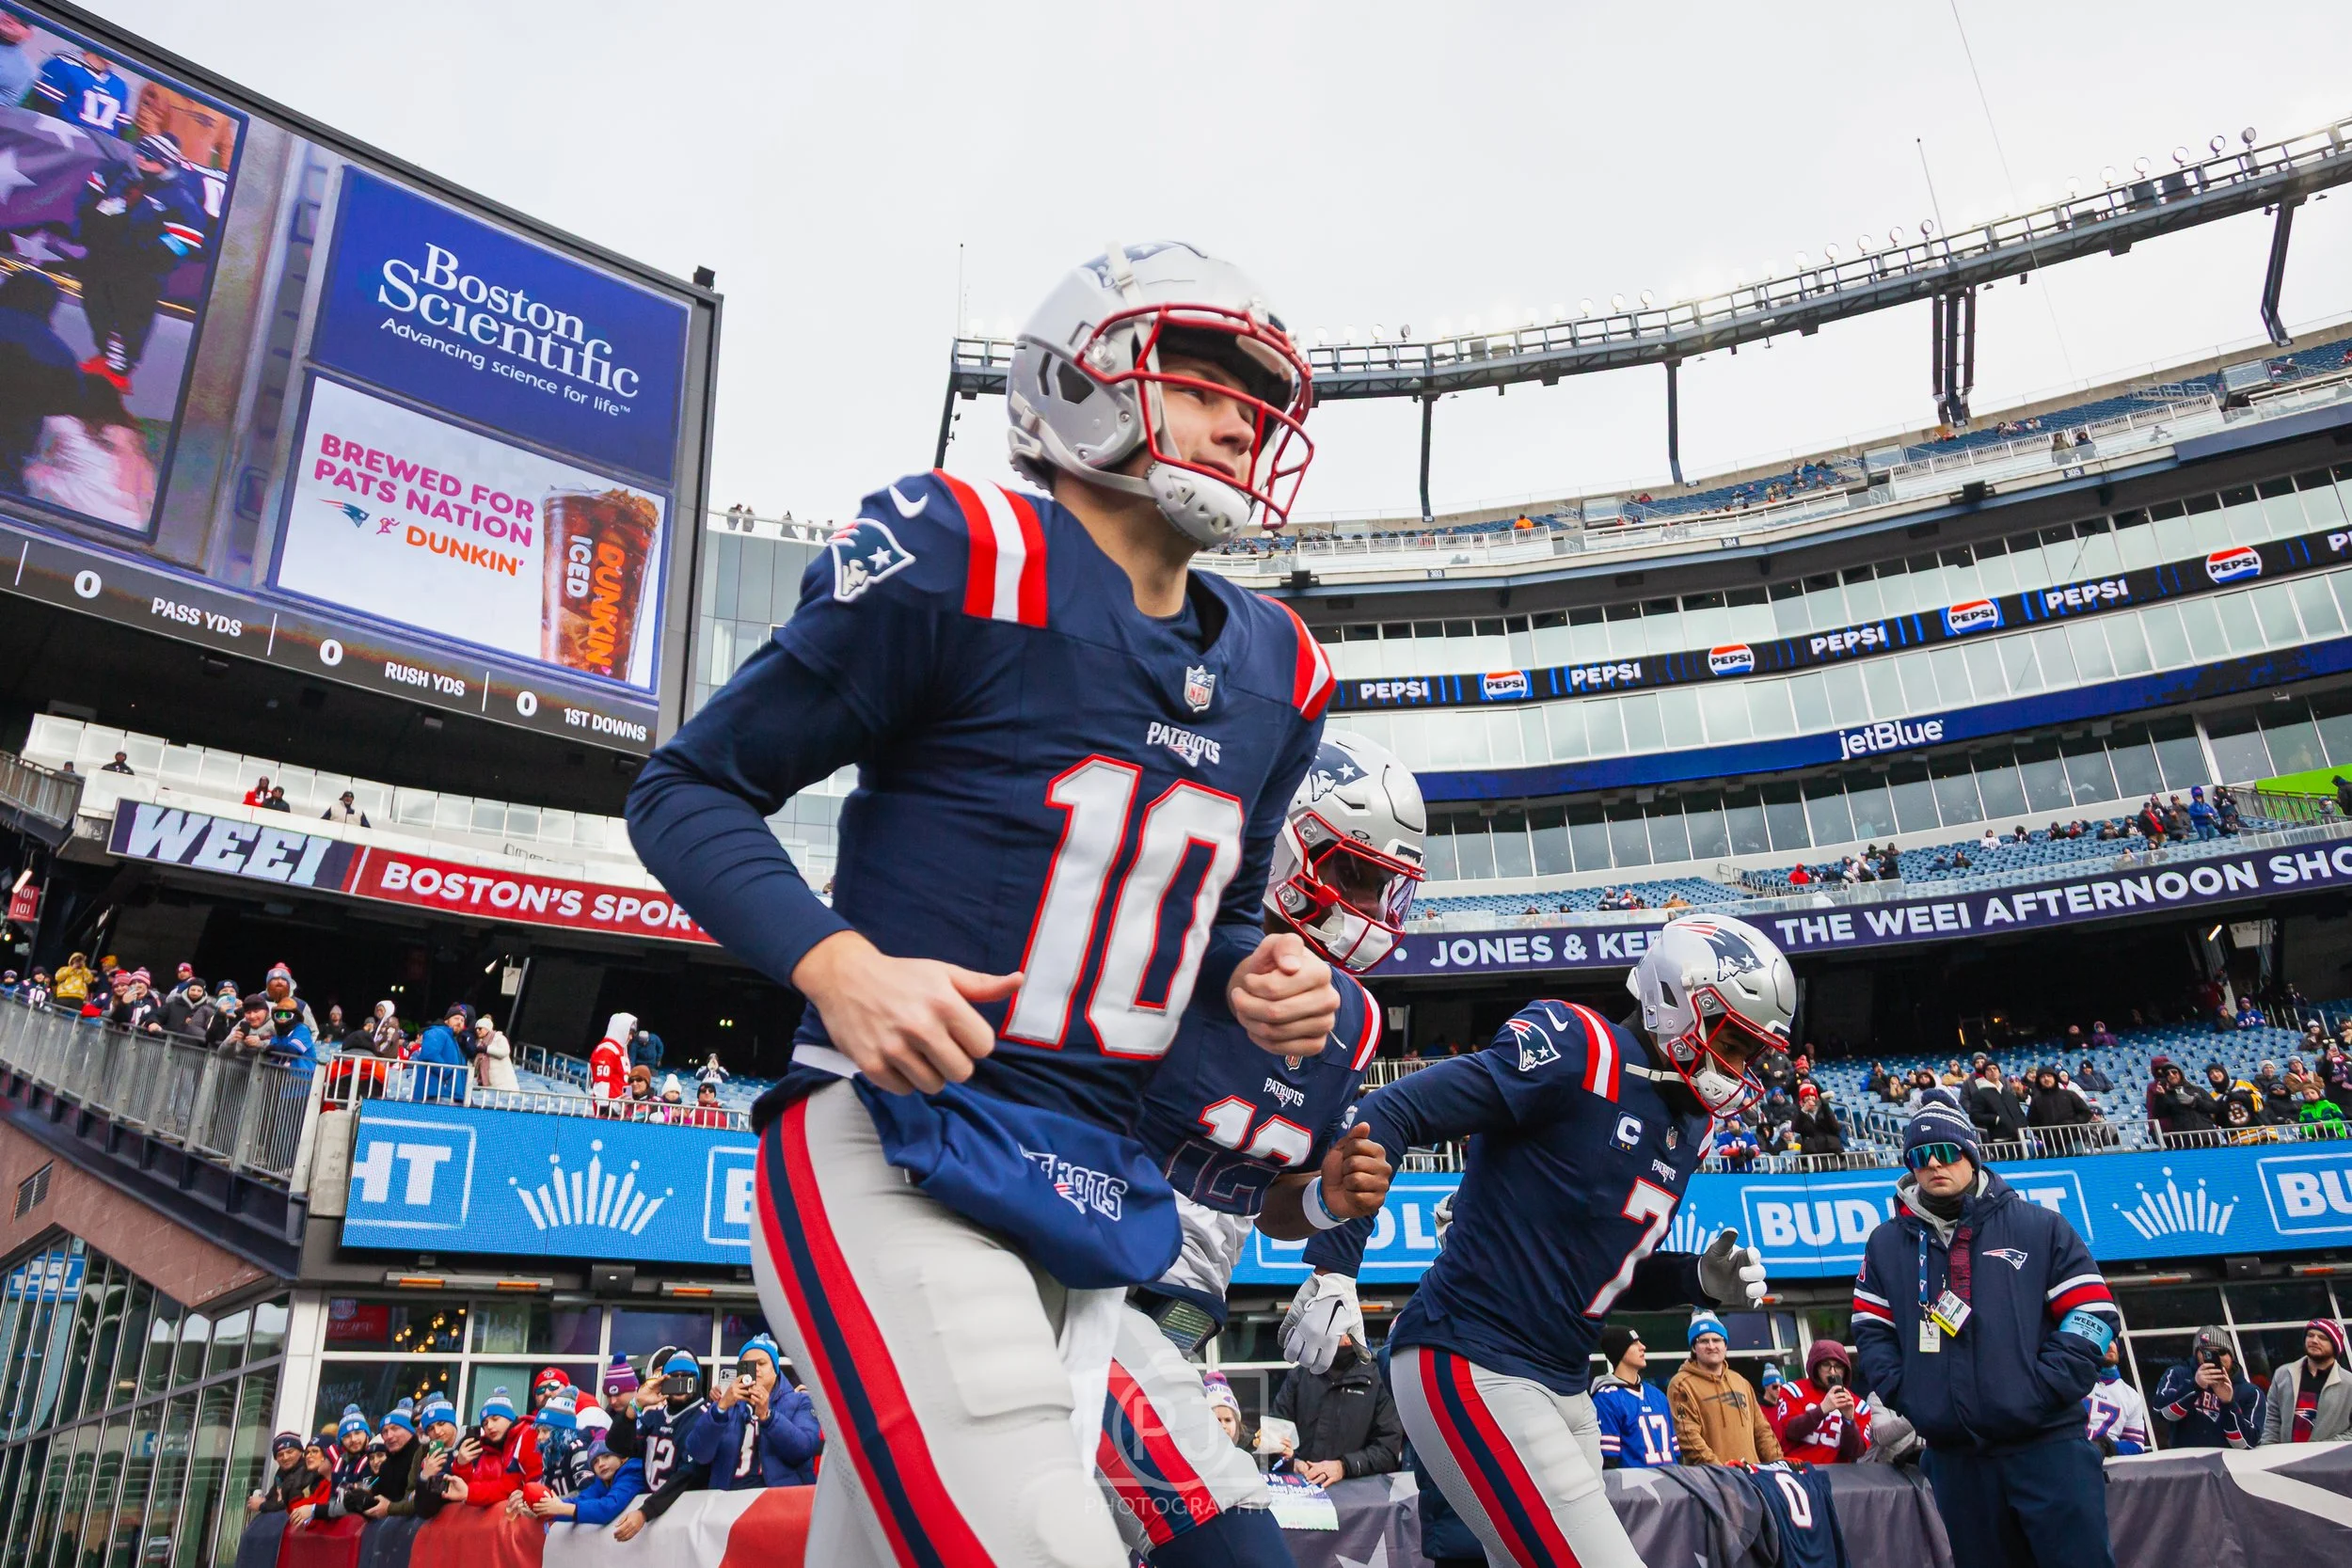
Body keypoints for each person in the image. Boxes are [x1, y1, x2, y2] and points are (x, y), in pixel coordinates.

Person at [625, 242, 1338, 1566]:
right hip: (899, 1138)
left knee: (1214, 1542)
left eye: (1259, 390)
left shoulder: (1277, 667)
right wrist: (837, 960)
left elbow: (1221, 912)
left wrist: (1257, 970)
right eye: (1202, 374)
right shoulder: (969, 549)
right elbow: (684, 789)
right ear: (1083, 382)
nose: (1245, 413)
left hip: (1088, 1189)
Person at [1309, 914, 1788, 1568]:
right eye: (1734, 1040)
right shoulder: (1579, 1048)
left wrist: (1696, 1281)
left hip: (1565, 1380)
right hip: (1470, 1355)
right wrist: (1335, 1267)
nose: (1740, 1066)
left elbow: (1602, 1276)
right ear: (1678, 1000)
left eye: (1753, 1053)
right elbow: (1393, 1109)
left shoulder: (1693, 1126)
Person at [1104, 731, 1413, 1559]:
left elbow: (1266, 1198)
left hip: (1186, 1300)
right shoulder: (1173, 929)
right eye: (1356, 871)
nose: (1370, 904)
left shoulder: (1356, 1021)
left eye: (1387, 885)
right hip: (1088, 1270)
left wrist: (1324, 1200)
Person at [1852, 1093, 2122, 1568]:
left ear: (1972, 1154)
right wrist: (1910, 1393)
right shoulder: (1886, 1244)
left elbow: (2095, 1315)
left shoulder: (2040, 1227)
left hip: (2048, 1449)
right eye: (1919, 1155)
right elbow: (1871, 1331)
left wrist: (2041, 1390)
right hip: (1957, 1461)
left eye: (1948, 1151)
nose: (1934, 1163)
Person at [71, 132, 211, 388]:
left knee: (130, 316)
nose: (140, 158)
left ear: (165, 163)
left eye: (149, 157)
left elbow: (188, 240)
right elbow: (87, 203)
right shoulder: (115, 173)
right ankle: (105, 355)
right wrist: (93, 224)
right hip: (103, 259)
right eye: (140, 151)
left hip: (140, 272)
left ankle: (119, 370)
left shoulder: (178, 197)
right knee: (95, 302)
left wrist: (147, 254)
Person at [1268, 1328, 1403, 1486]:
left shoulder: (1379, 1379)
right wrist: (1292, 1462)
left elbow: (1387, 1452)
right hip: (1300, 1489)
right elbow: (1275, 1434)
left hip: (1355, 1498)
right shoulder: (1299, 1375)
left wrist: (1343, 1467)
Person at [689, 1334, 824, 1489]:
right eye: (749, 1365)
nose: (756, 1369)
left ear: (775, 1369)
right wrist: (720, 1409)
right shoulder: (726, 1404)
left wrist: (768, 1417)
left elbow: (804, 1449)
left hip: (779, 1502)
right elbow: (698, 1453)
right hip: (728, 1503)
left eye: (762, 1363)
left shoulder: (800, 1401)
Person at [1669, 1313, 1783, 1465]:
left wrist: (1779, 1464)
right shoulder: (1680, 1385)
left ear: (1725, 1345)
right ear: (1694, 1348)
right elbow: (1687, 1436)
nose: (1711, 1346)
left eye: (1717, 1340)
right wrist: (1721, 1471)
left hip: (1751, 1479)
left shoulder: (1740, 1382)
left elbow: (1762, 1430)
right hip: (1711, 1482)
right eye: (1703, 1341)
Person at [2152, 1326, 2261, 1449]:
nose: (2216, 1358)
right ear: (2196, 1354)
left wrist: (2228, 1403)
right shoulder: (2178, 1374)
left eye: (2221, 1352)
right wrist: (2195, 1386)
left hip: (2229, 1465)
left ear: (2231, 1355)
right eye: (2207, 1353)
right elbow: (2162, 1412)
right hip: (2185, 1463)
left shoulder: (2250, 1392)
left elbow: (2247, 1443)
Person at [1768, 1339, 1871, 1463]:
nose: (1832, 1372)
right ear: (1816, 1366)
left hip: (1839, 1477)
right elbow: (1791, 1432)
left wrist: (1849, 1421)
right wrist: (1822, 1410)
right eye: (1826, 1365)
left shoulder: (1859, 1406)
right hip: (1799, 1472)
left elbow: (1855, 1453)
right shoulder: (1793, 1391)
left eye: (1838, 1366)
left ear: (1845, 1370)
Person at [1590, 1325, 1678, 1468]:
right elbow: (1608, 1463)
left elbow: (1676, 1454)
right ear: (1619, 1351)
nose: (1642, 1347)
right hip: (1636, 1487)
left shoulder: (1658, 1396)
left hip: (1670, 1484)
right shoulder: (1606, 1399)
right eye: (1634, 1344)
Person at [2258, 1317, 2351, 1444]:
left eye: (2322, 1338)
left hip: (2329, 1461)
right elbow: (2272, 1419)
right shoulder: (2284, 1374)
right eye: (2310, 1335)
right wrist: (2269, 1449)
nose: (2314, 1340)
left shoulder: (2348, 1383)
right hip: (2286, 1458)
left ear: (2335, 1346)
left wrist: (2325, 1449)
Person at [448, 1386, 542, 1507]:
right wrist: (462, 1466)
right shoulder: (486, 1451)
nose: (490, 1426)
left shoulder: (528, 1436)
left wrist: (470, 1493)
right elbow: (464, 1491)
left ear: (510, 1418)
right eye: (485, 1423)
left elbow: (512, 1485)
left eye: (495, 1419)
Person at [530, 1436, 644, 1528]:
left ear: (622, 1458)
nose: (601, 1464)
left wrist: (562, 1508)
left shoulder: (632, 1472)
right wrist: (544, 1509)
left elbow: (608, 1508)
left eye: (607, 1456)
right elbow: (581, 1500)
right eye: (595, 1462)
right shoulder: (602, 1482)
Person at [2082, 1339, 2150, 1455]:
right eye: (2104, 1339)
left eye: (2113, 1341)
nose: (2110, 1345)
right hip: (2067, 1459)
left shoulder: (2131, 1395)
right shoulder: (2071, 1379)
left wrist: (2107, 1446)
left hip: (2104, 1469)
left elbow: (2136, 1445)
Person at [406, 1004, 468, 1101]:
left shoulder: (454, 1042)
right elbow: (430, 1055)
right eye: (456, 1018)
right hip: (436, 1093)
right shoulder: (437, 1032)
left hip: (451, 1095)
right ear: (447, 1020)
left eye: (462, 1020)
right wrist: (448, 1073)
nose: (459, 1022)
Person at [588, 1012, 631, 1111]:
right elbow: (602, 1081)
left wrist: (628, 1103)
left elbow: (626, 1080)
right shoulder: (606, 1049)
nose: (631, 1037)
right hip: (608, 1115)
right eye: (630, 1033)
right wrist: (605, 1109)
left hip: (621, 1111)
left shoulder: (622, 1051)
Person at [1790, 1083, 1843, 1154]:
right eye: (1806, 1096)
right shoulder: (1799, 1113)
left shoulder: (1825, 1110)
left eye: (1812, 1095)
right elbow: (1795, 1128)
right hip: (1812, 1153)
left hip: (1832, 1150)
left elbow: (1836, 1129)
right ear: (1802, 1100)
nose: (1810, 1098)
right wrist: (1803, 1111)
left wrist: (1826, 1106)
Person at [473, 1014, 518, 1091]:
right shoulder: (479, 1043)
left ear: (487, 1029)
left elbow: (505, 1052)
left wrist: (487, 1049)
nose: (477, 1031)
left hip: (505, 1084)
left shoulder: (499, 1038)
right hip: (491, 1086)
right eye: (476, 1029)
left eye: (480, 1028)